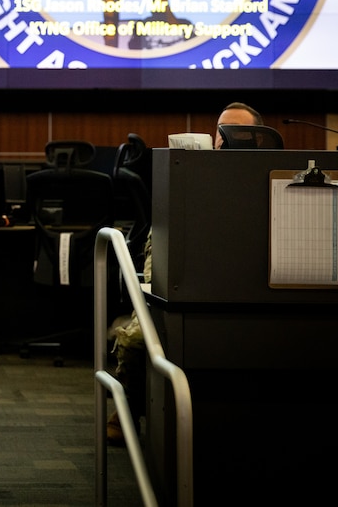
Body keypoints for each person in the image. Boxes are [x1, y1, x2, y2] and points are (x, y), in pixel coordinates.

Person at [107, 101, 264, 445]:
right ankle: (130, 408)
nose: (227, 141)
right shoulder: (189, 179)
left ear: (259, 139)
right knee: (136, 338)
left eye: (239, 133)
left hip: (242, 288)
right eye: (223, 134)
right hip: (181, 282)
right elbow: (159, 255)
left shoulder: (269, 181)